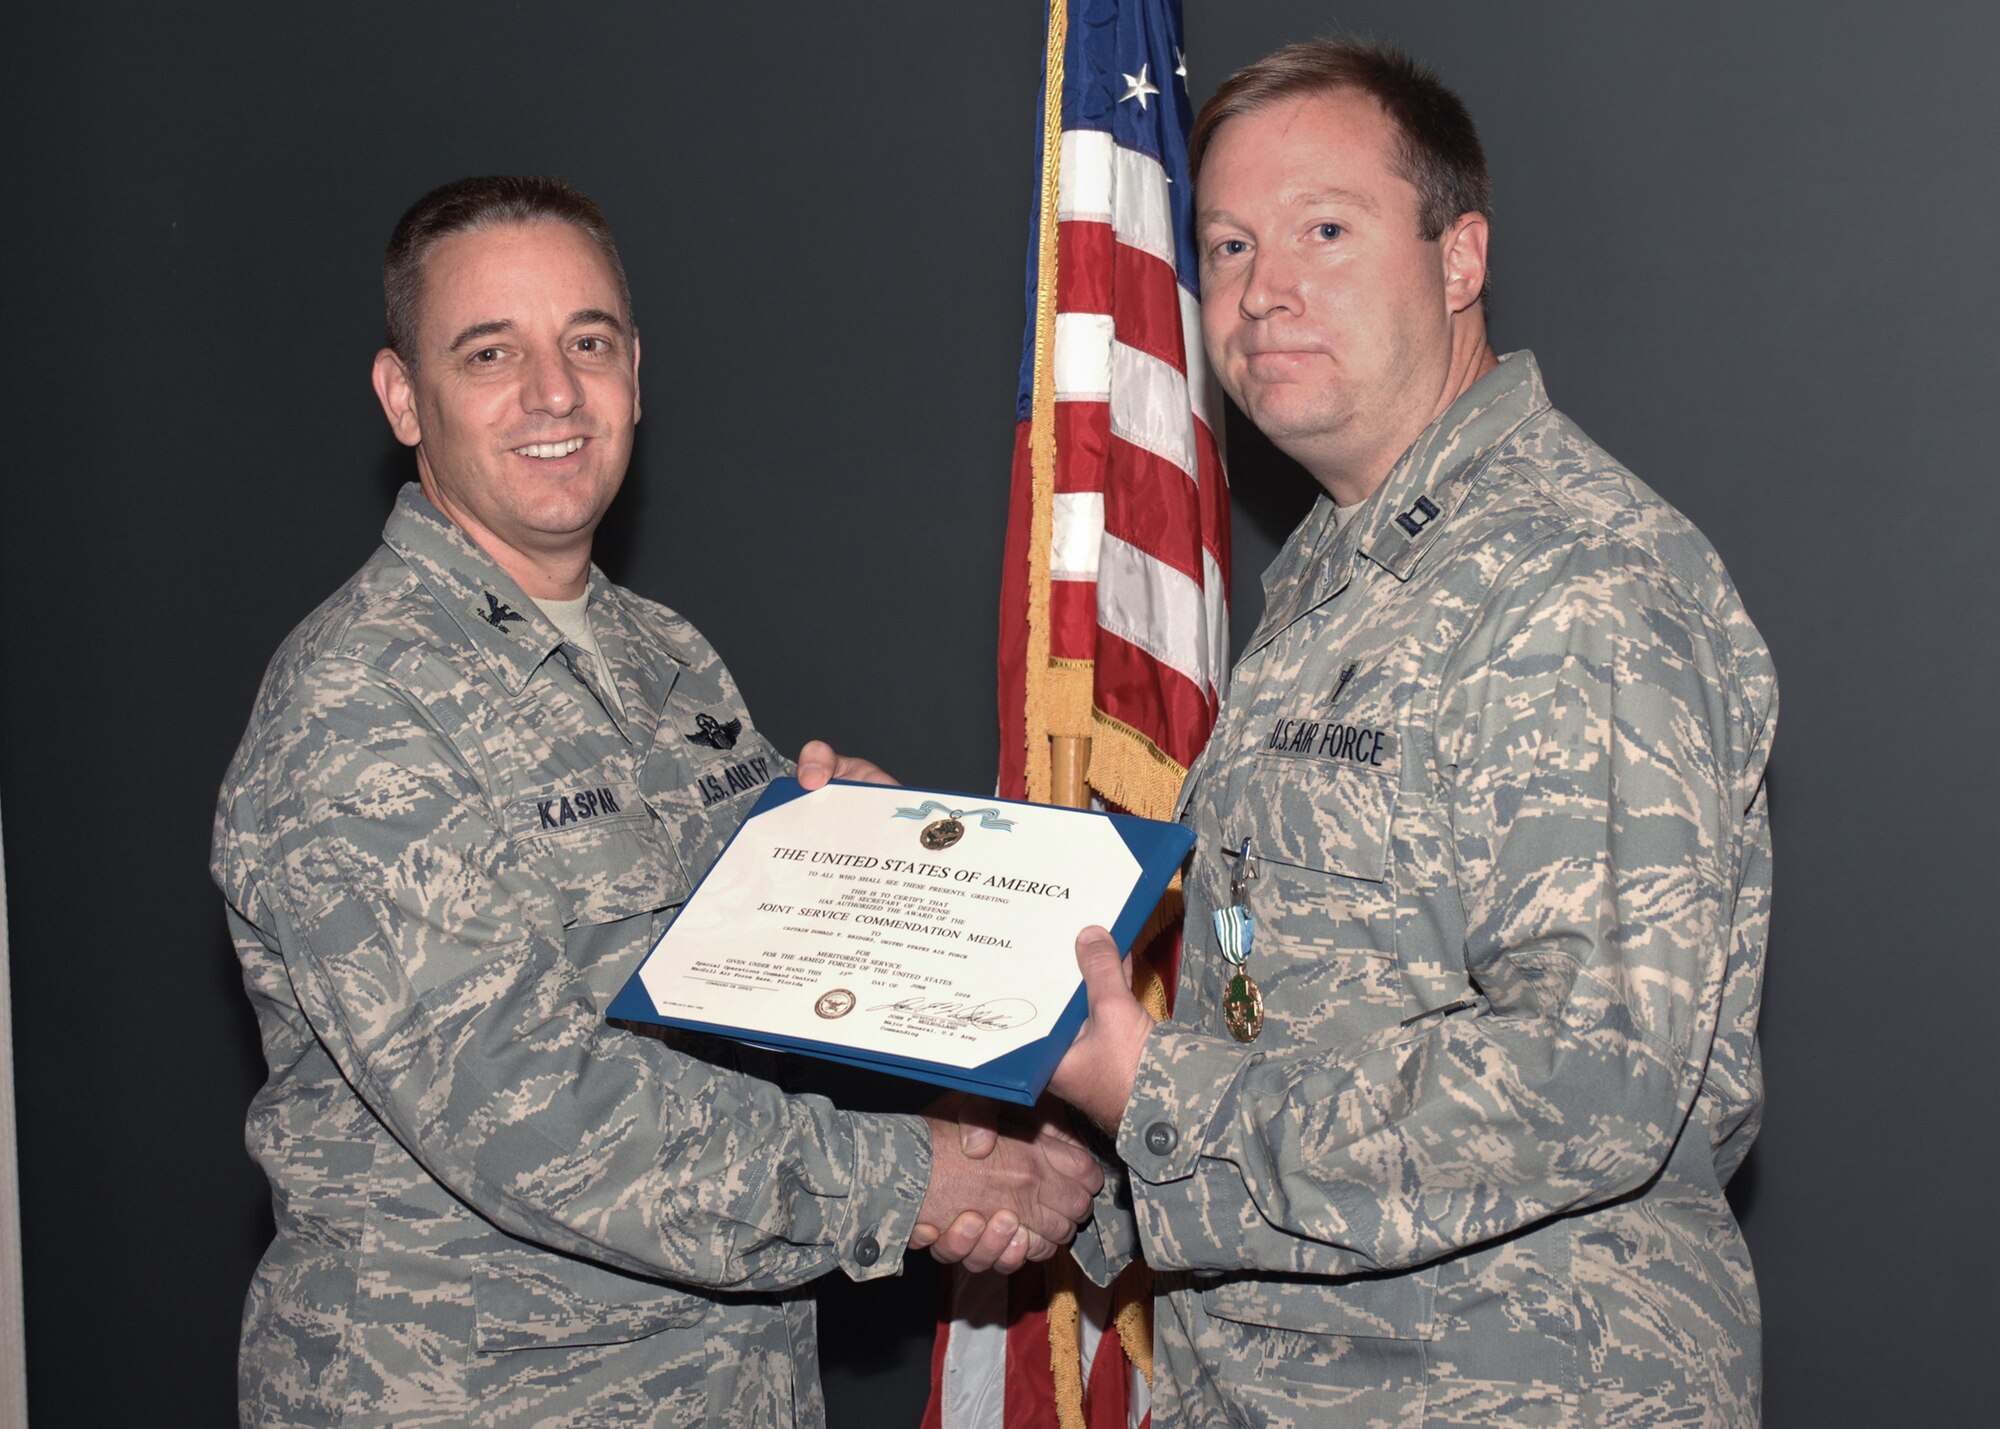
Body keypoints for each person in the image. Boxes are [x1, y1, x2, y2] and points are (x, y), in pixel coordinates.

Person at [211, 175, 1100, 1428]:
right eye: (488, 352)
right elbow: (536, 1111)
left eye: (588, 342)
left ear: (635, 372)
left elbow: (729, 1002)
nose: (553, 393)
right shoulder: (358, 706)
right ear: (403, 398)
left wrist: (868, 881)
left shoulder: (661, 656)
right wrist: (918, 1177)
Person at [1047, 39, 1775, 1427]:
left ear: (1460, 258)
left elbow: (1591, 1073)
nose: (1265, 291)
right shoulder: (1342, 582)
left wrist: (1168, 1106)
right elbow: (1274, 999)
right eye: (1230, 245)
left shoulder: (1571, 581)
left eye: (1327, 229)